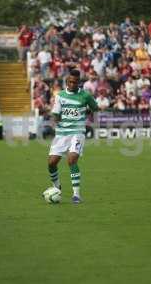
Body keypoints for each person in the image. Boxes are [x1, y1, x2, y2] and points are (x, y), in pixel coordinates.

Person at [47, 69, 98, 204]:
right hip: (61, 134)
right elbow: (56, 113)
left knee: (71, 160)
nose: (72, 84)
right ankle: (57, 187)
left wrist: (87, 112)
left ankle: (76, 195)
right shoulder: (60, 96)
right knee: (51, 163)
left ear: (79, 83)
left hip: (77, 132)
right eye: (69, 82)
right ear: (66, 82)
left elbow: (95, 107)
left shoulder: (85, 96)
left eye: (74, 82)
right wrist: (56, 121)